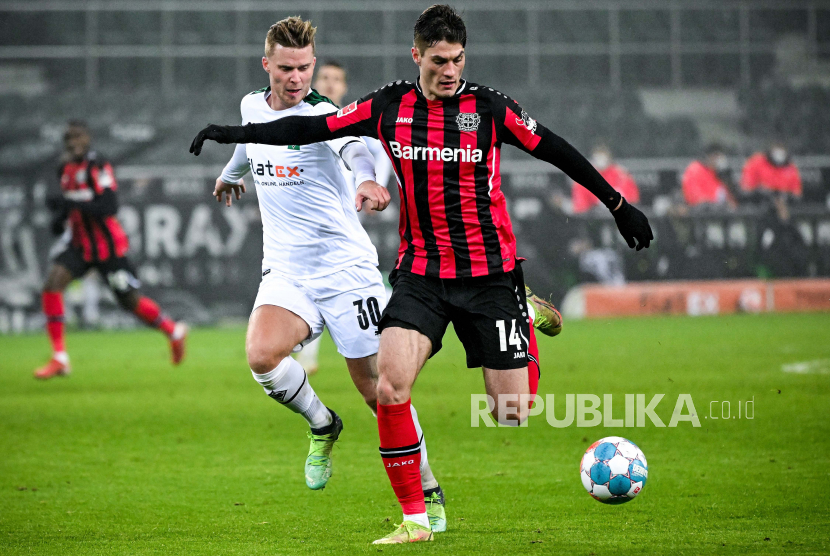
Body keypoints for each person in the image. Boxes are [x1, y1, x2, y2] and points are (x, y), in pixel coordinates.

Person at [190, 5, 652, 544]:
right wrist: (232, 133)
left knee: (511, 411)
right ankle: (416, 519)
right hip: (421, 273)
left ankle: (520, 316)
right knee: (388, 387)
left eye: (457, 59)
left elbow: (557, 150)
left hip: (488, 275)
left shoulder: (490, 109)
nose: (450, 70)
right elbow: (314, 125)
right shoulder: (391, 105)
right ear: (418, 57)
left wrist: (617, 203)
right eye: (439, 61)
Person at [210, 16, 452, 530]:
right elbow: (248, 138)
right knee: (261, 355)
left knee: (378, 391)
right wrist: (230, 175)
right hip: (286, 272)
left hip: (346, 273)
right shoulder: (251, 105)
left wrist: (366, 182)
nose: (295, 78)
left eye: (303, 68)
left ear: (313, 65)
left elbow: (357, 149)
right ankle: (323, 423)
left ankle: (428, 487)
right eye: (285, 69)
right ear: (266, 65)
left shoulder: (326, 115)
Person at [35, 121, 187, 379]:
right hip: (80, 246)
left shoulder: (98, 165)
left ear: (87, 139)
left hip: (109, 249)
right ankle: (60, 357)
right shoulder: (65, 169)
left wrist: (70, 203)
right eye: (68, 138)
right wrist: (59, 217)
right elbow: (68, 207)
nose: (72, 142)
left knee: (130, 301)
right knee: (52, 285)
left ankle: (173, 331)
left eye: (77, 137)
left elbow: (109, 206)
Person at [572, 143, 639, 214]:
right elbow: (581, 207)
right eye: (598, 156)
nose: (600, 159)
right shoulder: (585, 176)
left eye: (603, 155)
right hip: (594, 218)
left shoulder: (621, 174)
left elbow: (633, 199)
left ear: (609, 157)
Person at [681, 143, 738, 209]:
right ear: (710, 156)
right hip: (703, 214)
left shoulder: (720, 173)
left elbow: (733, 201)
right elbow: (696, 200)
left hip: (722, 213)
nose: (720, 160)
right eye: (717, 156)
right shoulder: (695, 170)